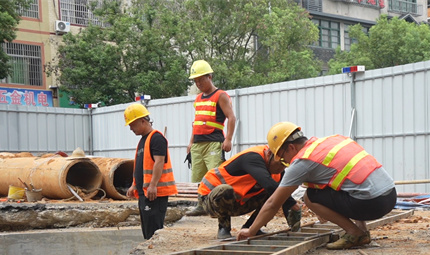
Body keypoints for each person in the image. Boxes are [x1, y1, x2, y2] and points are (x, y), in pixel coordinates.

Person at [237, 122, 397, 249]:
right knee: (345, 186)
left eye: (283, 157)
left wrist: (251, 230)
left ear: (291, 147)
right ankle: (362, 230)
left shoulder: (303, 161)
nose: (286, 163)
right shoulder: (332, 140)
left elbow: (273, 203)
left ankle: (355, 233)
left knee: (310, 197)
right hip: (390, 196)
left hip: (372, 204)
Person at [194, 144, 302, 239]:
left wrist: (294, 225)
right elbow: (270, 186)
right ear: (269, 154)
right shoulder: (252, 157)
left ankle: (251, 227)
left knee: (275, 196)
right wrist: (293, 204)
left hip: (237, 202)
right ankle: (224, 228)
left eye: (284, 165)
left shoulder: (278, 172)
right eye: (279, 164)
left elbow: (281, 196)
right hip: (209, 198)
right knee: (224, 190)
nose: (281, 168)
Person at [186, 59, 236, 215]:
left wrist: (228, 139)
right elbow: (197, 123)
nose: (198, 83)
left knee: (215, 176)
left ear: (210, 77)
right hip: (198, 144)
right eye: (196, 80)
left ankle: (218, 206)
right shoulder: (198, 99)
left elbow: (232, 117)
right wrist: (190, 143)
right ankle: (201, 205)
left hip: (214, 142)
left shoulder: (220, 95)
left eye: (201, 79)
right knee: (198, 177)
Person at [124, 103, 178, 240]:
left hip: (155, 194)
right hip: (145, 193)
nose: (130, 128)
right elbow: (141, 167)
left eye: (132, 124)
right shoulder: (143, 140)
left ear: (143, 121)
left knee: (154, 230)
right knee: (147, 229)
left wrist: (153, 185)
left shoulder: (157, 139)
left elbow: (159, 162)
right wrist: (134, 185)